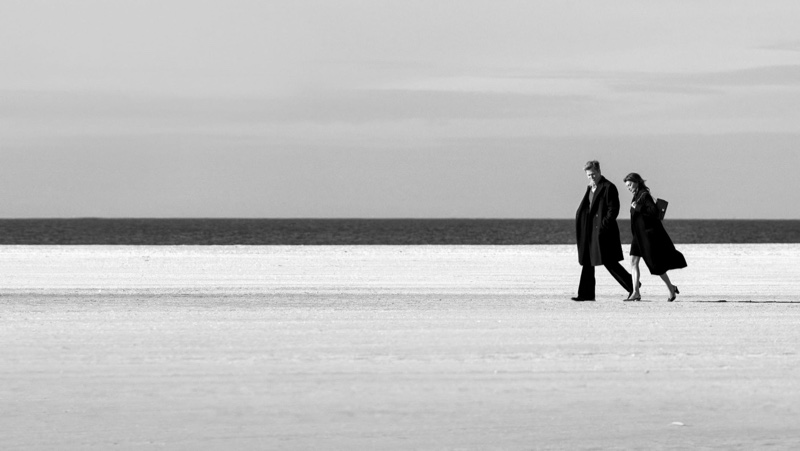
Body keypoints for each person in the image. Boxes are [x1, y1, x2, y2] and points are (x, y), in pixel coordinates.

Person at [573, 160, 635, 301]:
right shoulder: (590, 188)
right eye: (589, 175)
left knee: (609, 261)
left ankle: (633, 286)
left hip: (603, 231)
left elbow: (613, 210)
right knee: (588, 261)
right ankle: (585, 294)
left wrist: (603, 226)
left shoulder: (609, 187)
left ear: (599, 171)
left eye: (594, 174)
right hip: (590, 231)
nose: (592, 177)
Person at [623, 173, 687, 302]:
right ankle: (636, 292)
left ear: (637, 182)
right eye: (627, 186)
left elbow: (654, 212)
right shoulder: (636, 196)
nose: (628, 187)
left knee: (656, 266)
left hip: (646, 236)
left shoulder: (644, 195)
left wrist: (638, 207)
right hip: (638, 236)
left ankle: (671, 288)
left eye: (630, 184)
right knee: (633, 262)